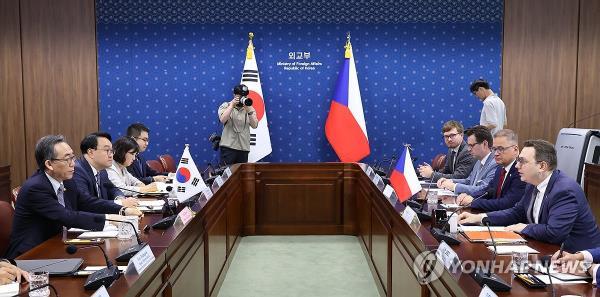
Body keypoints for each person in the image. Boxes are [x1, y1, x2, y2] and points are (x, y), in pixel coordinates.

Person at [5, 135, 143, 259]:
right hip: (31, 254)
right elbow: (67, 216)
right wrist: (110, 220)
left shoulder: (67, 180)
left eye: (72, 157)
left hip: (58, 244)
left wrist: (121, 210)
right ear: (49, 164)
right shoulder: (35, 188)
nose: (73, 163)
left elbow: (87, 202)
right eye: (67, 159)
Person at [458, 139, 600, 252]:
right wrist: (480, 218)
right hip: (545, 249)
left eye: (523, 162)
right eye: (518, 160)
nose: (517, 166)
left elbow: (555, 232)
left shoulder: (564, 191)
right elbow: (517, 212)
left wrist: (524, 227)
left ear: (542, 166)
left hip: (576, 259)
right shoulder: (533, 183)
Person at [456, 129, 527, 211]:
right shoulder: (500, 169)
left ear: (515, 150)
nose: (496, 153)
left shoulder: (520, 172)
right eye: (494, 149)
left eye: (501, 149)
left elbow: (506, 204)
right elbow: (488, 190)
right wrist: (470, 196)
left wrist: (473, 202)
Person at [73, 132, 138, 208]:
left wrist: (120, 199)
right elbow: (87, 202)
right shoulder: (77, 171)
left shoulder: (102, 170)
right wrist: (119, 203)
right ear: (91, 152)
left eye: (111, 151)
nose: (111, 155)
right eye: (107, 150)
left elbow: (113, 189)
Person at [437, 126, 498, 196]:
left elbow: (483, 189)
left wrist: (454, 186)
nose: (469, 149)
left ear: (485, 144)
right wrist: (451, 181)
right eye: (468, 145)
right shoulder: (478, 161)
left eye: (472, 145)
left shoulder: (495, 164)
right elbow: (469, 181)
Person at [218, 84, 258, 164]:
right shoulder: (226, 105)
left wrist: (249, 111)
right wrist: (232, 105)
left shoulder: (250, 108)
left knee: (240, 175)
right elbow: (222, 119)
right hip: (228, 147)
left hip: (243, 149)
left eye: (245, 96)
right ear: (234, 95)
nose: (242, 98)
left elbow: (254, 125)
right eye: (240, 96)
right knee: (226, 175)